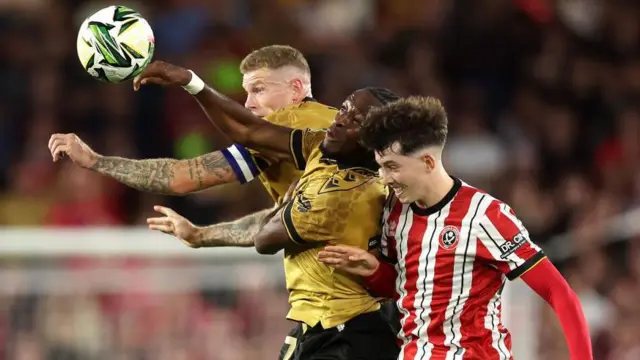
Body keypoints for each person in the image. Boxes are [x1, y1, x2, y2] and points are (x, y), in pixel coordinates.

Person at [134, 60, 401, 359]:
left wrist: (287, 205)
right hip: (320, 326)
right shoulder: (325, 148)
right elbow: (251, 132)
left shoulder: (341, 196)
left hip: (348, 334)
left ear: (373, 141)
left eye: (355, 120)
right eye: (344, 109)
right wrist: (192, 82)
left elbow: (266, 239)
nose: (339, 120)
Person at [317, 96, 593, 360]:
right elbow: (414, 292)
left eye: (392, 167)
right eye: (380, 167)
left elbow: (559, 292)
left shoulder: (484, 216)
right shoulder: (394, 212)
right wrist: (374, 271)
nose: (384, 178)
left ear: (427, 162)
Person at [48, 44, 333, 221]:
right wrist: (202, 236)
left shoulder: (286, 130)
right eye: (248, 92)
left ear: (296, 88)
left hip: (344, 306)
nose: (249, 103)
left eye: (259, 90)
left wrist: (95, 161)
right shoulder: (339, 122)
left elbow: (179, 178)